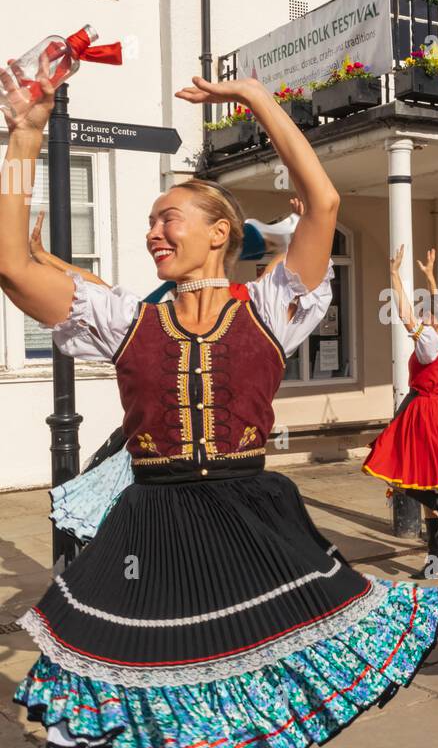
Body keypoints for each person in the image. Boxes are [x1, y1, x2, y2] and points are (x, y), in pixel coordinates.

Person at [0, 62, 438, 748]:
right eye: (151, 220)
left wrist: (256, 101)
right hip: (154, 537)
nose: (153, 229)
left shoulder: (273, 304)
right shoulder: (122, 314)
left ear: (218, 234)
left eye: (170, 216)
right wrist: (25, 132)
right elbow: (10, 260)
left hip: (253, 531)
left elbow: (319, 202)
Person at [29, 205, 309, 545]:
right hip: (159, 456)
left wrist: (302, 232)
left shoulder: (250, 305)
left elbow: (290, 272)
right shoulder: (160, 308)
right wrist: (45, 258)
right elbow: (99, 289)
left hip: (217, 467)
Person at [363, 246, 438, 576]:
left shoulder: (430, 342)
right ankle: (437, 558)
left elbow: (404, 315)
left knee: (401, 475)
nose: (427, 314)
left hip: (423, 412)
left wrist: (394, 275)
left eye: (432, 314)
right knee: (429, 482)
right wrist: (430, 277)